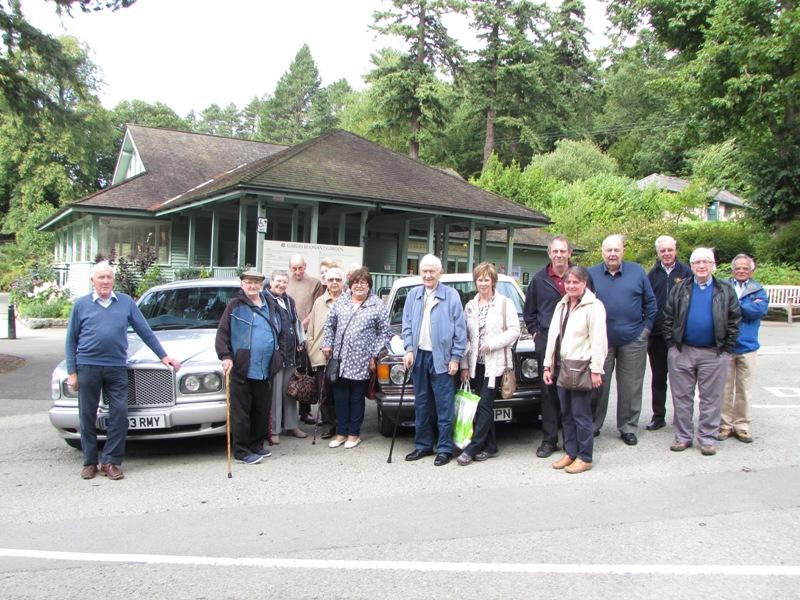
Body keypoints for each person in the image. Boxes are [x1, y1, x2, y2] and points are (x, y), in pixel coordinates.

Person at [65, 261, 182, 480]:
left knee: (119, 415)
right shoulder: (81, 305)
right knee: (87, 416)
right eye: (101, 278)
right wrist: (72, 372)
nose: (105, 282)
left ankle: (110, 461)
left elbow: (145, 331)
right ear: (93, 281)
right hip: (87, 366)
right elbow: (70, 340)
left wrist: (163, 356)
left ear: (114, 280)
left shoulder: (126, 302)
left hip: (116, 367)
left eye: (109, 277)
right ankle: (90, 461)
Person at [663, 247, 741, 456]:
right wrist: (672, 346)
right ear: (691, 266)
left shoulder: (724, 290)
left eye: (706, 262)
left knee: (711, 398)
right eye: (697, 262)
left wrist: (726, 349)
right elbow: (668, 317)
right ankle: (683, 437)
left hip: (714, 353)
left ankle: (707, 438)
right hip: (683, 351)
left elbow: (734, 320)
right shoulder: (680, 289)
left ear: (713, 265)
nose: (702, 266)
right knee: (681, 397)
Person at [588, 234, 657, 445]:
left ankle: (628, 427)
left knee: (631, 386)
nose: (612, 254)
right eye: (608, 250)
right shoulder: (591, 274)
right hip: (601, 341)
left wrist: (645, 331)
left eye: (616, 250)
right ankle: (592, 425)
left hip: (633, 340)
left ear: (623, 251)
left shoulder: (637, 272)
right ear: (602, 252)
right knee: (597, 385)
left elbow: (651, 303)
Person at [402, 254, 467, 466]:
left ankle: (445, 448)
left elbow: (460, 330)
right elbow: (407, 325)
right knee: (422, 404)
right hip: (420, 356)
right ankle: (423, 445)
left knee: (444, 405)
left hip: (442, 358)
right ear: (420, 273)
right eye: (425, 271)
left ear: (440, 273)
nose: (428, 275)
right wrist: (409, 349)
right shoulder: (413, 295)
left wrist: (456, 357)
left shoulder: (451, 295)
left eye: (432, 271)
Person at [543, 266, 607, 474]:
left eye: (575, 282)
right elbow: (553, 336)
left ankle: (585, 457)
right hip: (562, 366)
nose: (571, 286)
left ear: (584, 284)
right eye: (568, 282)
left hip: (581, 367)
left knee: (581, 414)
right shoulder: (562, 305)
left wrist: (596, 369)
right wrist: (547, 365)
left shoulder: (593, 306)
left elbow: (599, 340)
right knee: (566, 414)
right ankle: (571, 452)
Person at [322, 268, 392, 449]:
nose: (359, 286)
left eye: (363, 282)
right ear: (350, 285)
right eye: (355, 282)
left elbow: (385, 333)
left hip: (362, 360)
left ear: (369, 285)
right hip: (340, 359)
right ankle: (341, 433)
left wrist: (374, 354)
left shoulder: (377, 305)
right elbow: (330, 325)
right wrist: (327, 344)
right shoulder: (342, 301)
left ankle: (354, 433)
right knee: (340, 398)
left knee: (356, 398)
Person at [457, 262, 519, 465]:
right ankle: (491, 446)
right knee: (480, 406)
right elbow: (466, 338)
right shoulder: (470, 305)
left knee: (484, 405)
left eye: (486, 279)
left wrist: (492, 344)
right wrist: (465, 366)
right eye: (479, 279)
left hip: (495, 364)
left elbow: (514, 331)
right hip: (476, 364)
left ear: (493, 281)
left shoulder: (504, 303)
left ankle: (473, 447)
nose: (483, 283)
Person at [216, 269, 279, 465]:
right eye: (249, 282)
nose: (253, 286)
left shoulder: (270, 303)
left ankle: (256, 445)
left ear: (262, 284)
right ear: (242, 284)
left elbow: (283, 329)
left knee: (261, 408)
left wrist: (281, 354)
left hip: (265, 367)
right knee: (241, 411)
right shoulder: (235, 305)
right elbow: (222, 334)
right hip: (243, 367)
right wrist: (226, 356)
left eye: (256, 282)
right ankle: (242, 451)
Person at [523, 235, 574, 458]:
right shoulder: (539, 279)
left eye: (563, 251)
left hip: (575, 342)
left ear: (569, 253)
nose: (559, 255)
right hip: (547, 343)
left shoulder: (579, 277)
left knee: (574, 390)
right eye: (555, 251)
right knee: (549, 391)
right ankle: (549, 439)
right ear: (549, 253)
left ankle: (572, 441)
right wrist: (536, 334)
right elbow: (529, 312)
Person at [720, 254, 769, 443]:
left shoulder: (758, 289)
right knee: (724, 389)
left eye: (745, 268)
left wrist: (735, 305)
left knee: (744, 389)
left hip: (748, 346)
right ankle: (723, 425)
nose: (741, 271)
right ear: (732, 269)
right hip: (726, 345)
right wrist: (746, 306)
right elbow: (718, 308)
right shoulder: (723, 286)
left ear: (751, 270)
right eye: (738, 268)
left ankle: (741, 426)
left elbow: (758, 311)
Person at [646, 235, 692, 431]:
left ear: (676, 250)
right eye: (662, 250)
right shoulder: (652, 274)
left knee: (681, 378)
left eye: (669, 250)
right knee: (658, 377)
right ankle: (658, 416)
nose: (666, 253)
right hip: (656, 334)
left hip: (679, 335)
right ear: (658, 253)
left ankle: (681, 417)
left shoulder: (686, 273)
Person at [265, 269, 308, 444]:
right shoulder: (265, 299)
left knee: (291, 391)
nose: (281, 284)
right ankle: (274, 430)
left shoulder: (289, 300)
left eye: (284, 282)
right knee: (275, 395)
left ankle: (292, 426)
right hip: (276, 354)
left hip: (291, 353)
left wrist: (300, 340)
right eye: (278, 281)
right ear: (271, 282)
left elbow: (295, 322)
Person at [306, 267, 345, 438]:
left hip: (343, 356)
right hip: (321, 355)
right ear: (326, 282)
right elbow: (312, 329)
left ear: (343, 282)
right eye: (331, 280)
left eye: (337, 279)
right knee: (325, 393)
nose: (334, 283)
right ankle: (329, 424)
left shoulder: (348, 300)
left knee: (341, 392)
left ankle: (342, 425)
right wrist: (311, 348)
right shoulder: (319, 302)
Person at [287, 254, 323, 425]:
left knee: (305, 373)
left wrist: (302, 324)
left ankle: (305, 411)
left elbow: (316, 308)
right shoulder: (285, 281)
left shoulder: (314, 283)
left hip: (305, 333)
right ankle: (285, 413)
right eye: (294, 268)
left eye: (300, 268)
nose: (297, 272)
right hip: (287, 334)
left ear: (305, 266)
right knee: (289, 373)